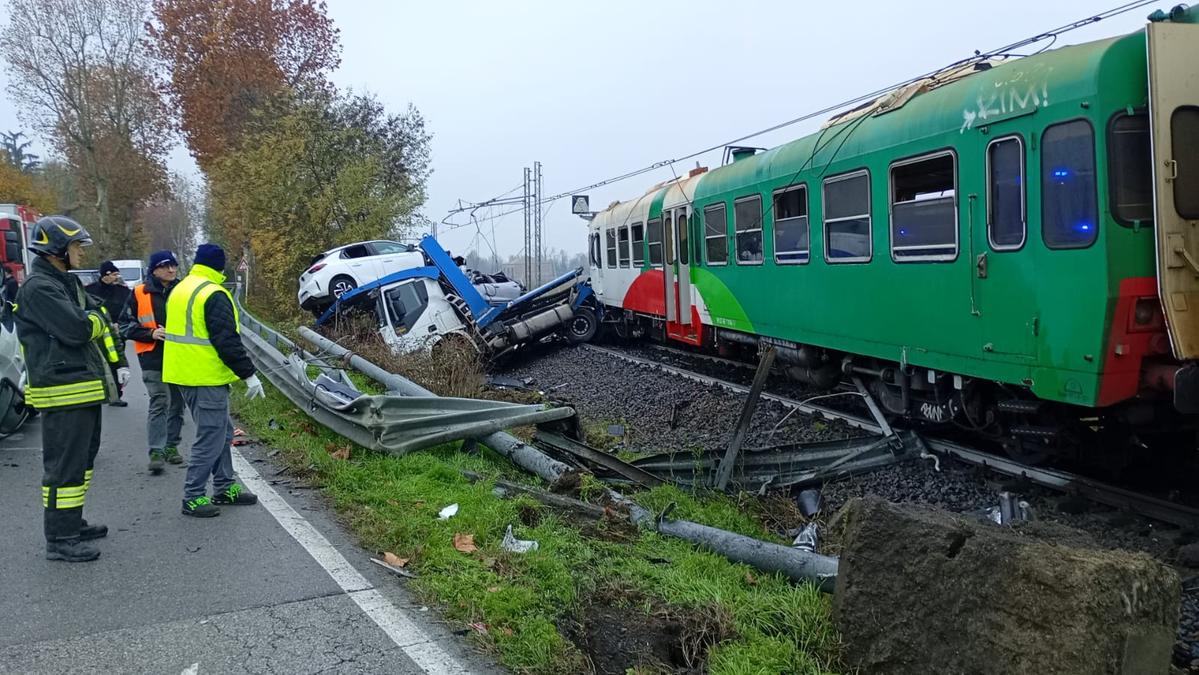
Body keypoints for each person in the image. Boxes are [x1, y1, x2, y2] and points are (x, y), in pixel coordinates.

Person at [14, 216, 128, 562]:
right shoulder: (39, 288)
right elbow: (80, 328)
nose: (80, 252)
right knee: (64, 465)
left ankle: (72, 522)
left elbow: (95, 316)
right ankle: (60, 538)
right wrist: (94, 320)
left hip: (80, 385)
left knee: (81, 460)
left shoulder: (62, 282)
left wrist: (94, 319)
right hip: (62, 389)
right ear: (57, 250)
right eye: (76, 246)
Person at [163, 243, 264, 518]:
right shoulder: (212, 293)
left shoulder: (181, 288)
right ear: (220, 266)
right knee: (210, 437)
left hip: (183, 374)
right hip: (204, 376)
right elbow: (227, 341)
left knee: (224, 432)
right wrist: (249, 374)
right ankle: (193, 496)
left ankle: (224, 487)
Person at [121, 250, 185, 475]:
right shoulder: (139, 293)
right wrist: (151, 334)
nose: (171, 270)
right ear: (154, 269)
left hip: (181, 356)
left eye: (174, 265)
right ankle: (156, 450)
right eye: (165, 265)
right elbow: (124, 326)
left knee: (177, 403)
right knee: (160, 400)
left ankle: (171, 446)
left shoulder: (183, 291)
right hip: (152, 356)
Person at [85, 260, 133, 407]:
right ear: (105, 275)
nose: (117, 277)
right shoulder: (89, 291)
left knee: (117, 362)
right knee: (98, 362)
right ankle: (100, 391)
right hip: (98, 333)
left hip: (117, 331)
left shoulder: (123, 291)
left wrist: (120, 324)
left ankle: (116, 394)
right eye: (114, 274)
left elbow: (128, 310)